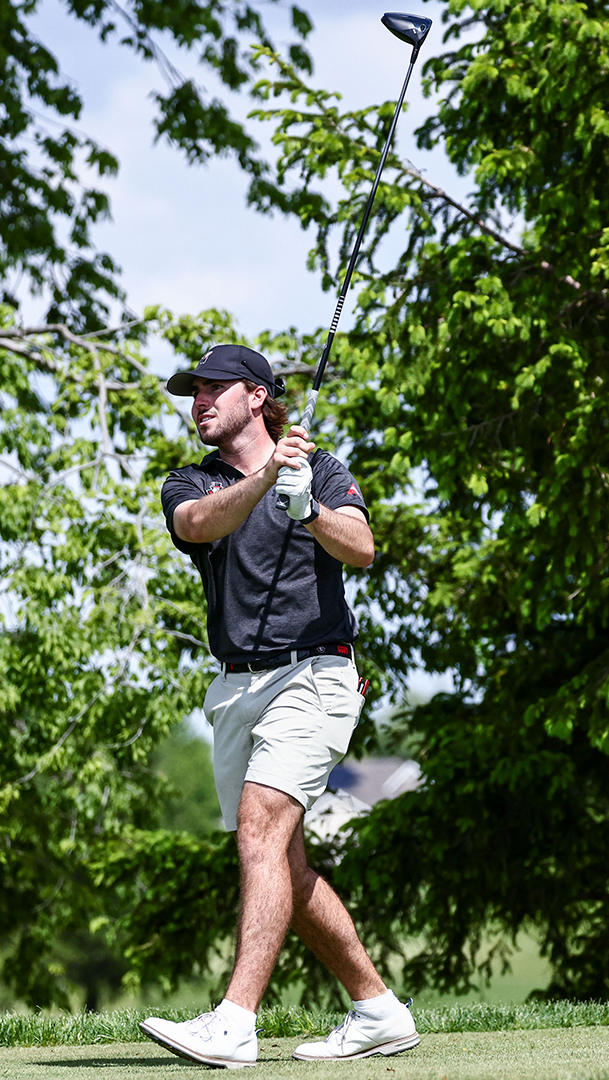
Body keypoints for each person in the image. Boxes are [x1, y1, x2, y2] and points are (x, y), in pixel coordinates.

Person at [138, 344, 419, 1069]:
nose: (199, 402)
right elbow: (198, 525)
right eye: (193, 392)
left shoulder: (318, 469)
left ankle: (234, 1024)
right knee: (281, 863)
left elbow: (361, 548)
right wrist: (267, 481)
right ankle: (378, 1010)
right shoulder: (191, 480)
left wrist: (310, 509)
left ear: (257, 397)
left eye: (213, 389)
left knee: (261, 831)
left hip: (315, 675)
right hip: (235, 688)